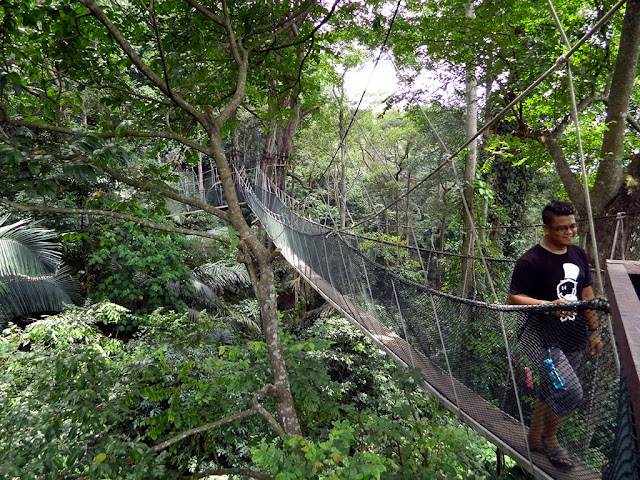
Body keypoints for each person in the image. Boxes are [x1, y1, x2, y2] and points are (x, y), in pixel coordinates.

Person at [508, 200, 602, 470]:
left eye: (572, 226)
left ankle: (533, 438)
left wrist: (594, 330)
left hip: (574, 336)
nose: (569, 232)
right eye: (562, 228)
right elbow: (514, 298)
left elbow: (586, 293)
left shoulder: (579, 254)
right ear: (546, 228)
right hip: (541, 338)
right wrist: (549, 306)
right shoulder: (531, 260)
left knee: (551, 388)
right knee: (570, 391)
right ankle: (551, 439)